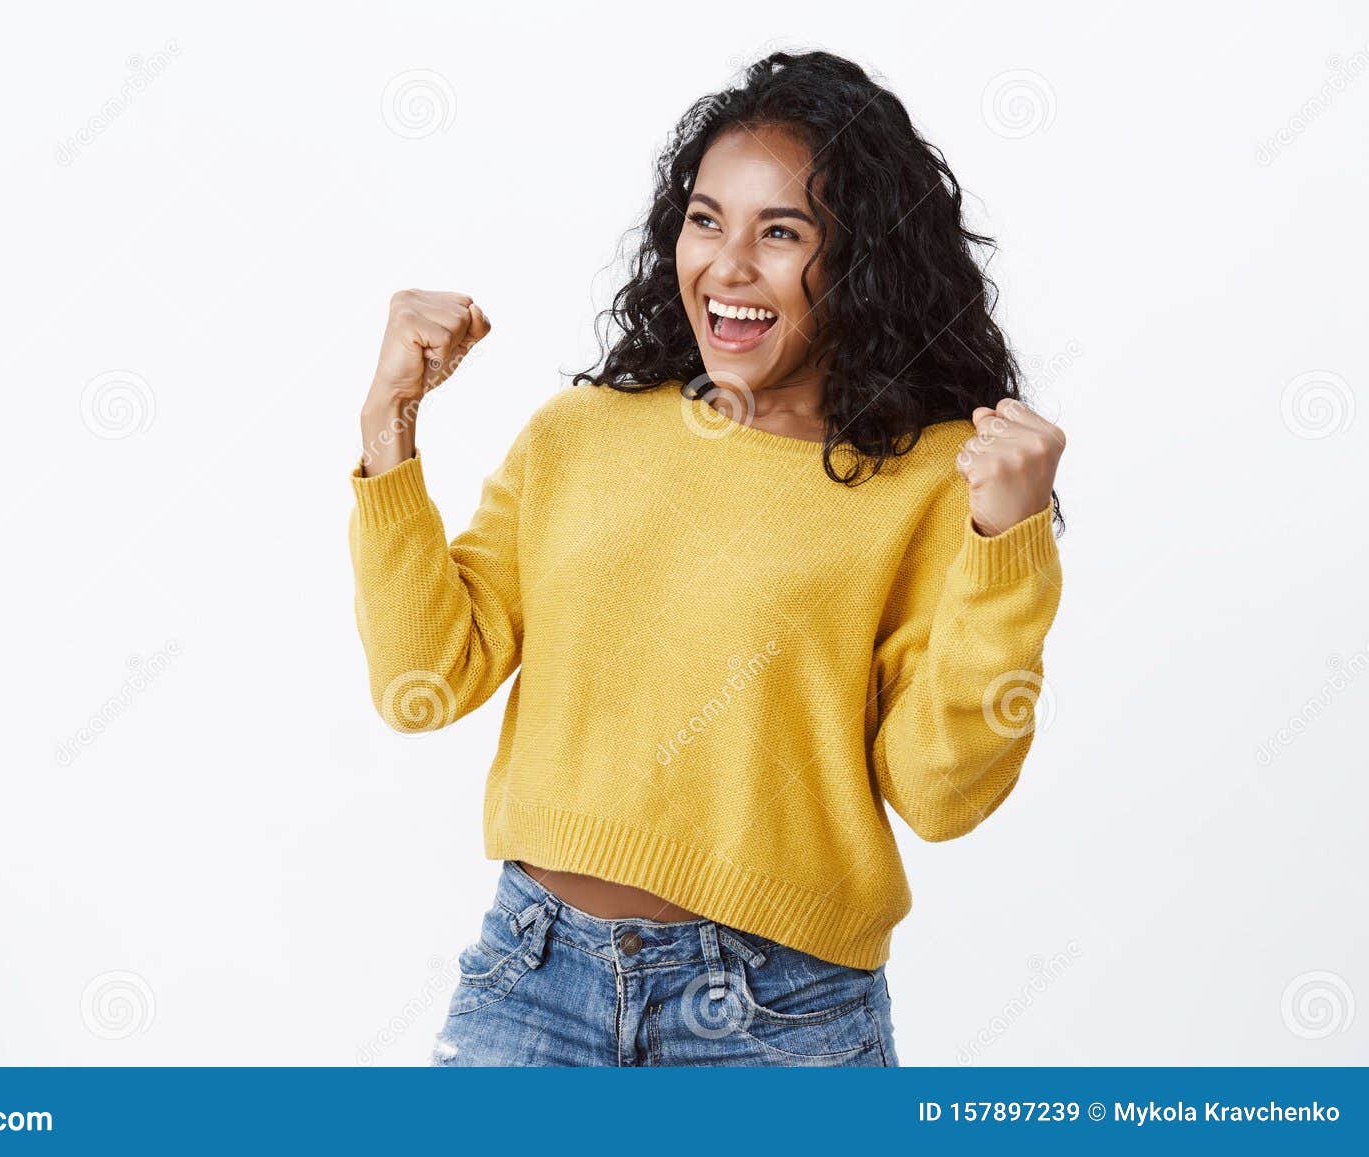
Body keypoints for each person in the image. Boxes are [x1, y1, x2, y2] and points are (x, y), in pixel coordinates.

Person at [347, 50, 1065, 1066]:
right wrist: (391, 426)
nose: (729, 265)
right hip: (533, 975)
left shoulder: (937, 477)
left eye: (782, 232)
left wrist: (1005, 546)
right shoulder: (581, 432)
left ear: (863, 258)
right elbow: (423, 680)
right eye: (706, 218)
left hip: (782, 1009)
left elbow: (941, 793)